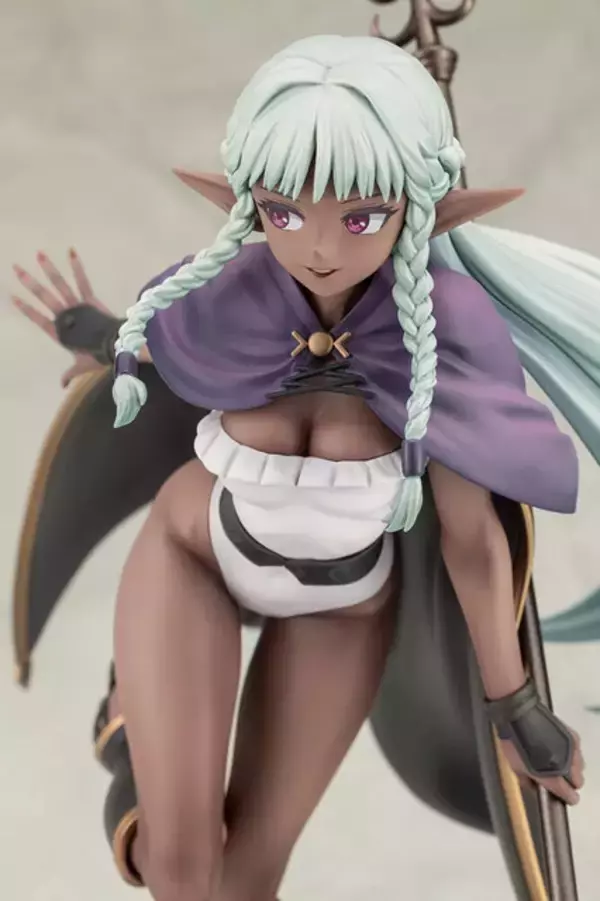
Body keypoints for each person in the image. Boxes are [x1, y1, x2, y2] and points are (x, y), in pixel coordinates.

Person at [11, 34, 599, 901]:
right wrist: (100, 336)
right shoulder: (235, 286)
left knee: (246, 879)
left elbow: (473, 538)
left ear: (415, 208)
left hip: (342, 610)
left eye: (359, 217)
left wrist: (513, 705)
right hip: (196, 556)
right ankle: (137, 741)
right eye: (285, 212)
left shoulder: (445, 330)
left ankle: (140, 738)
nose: (318, 246)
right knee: (181, 866)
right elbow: (164, 345)